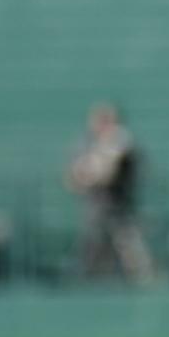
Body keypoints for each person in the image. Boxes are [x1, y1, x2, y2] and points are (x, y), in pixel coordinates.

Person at [66, 102, 152, 282]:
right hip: (96, 211)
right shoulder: (87, 144)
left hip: (120, 209)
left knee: (132, 253)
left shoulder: (122, 142)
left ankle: (144, 282)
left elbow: (107, 173)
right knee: (92, 252)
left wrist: (92, 171)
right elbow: (74, 178)